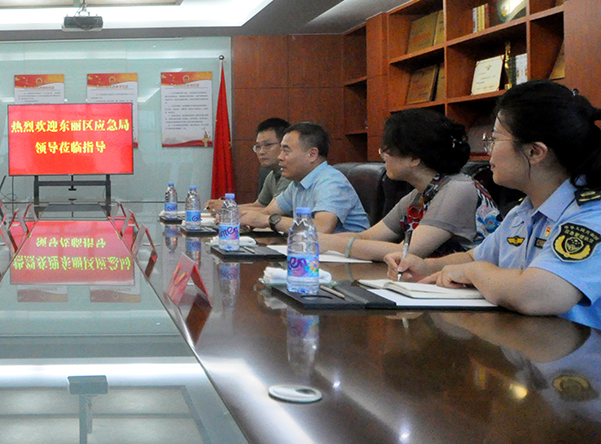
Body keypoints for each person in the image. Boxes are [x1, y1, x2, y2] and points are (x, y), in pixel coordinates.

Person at [388, 81, 601, 328]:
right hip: (527, 343)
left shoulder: (591, 214)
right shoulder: (524, 211)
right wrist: (425, 267)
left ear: (535, 152)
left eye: (495, 139)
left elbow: (540, 295)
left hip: (577, 350)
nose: (488, 150)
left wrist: (474, 273)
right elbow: (474, 257)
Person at [321, 110, 500, 261]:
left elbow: (406, 252)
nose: (384, 157)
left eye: (387, 151)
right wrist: (317, 240)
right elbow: (367, 236)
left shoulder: (457, 189)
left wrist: (330, 243)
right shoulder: (421, 194)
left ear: (414, 158)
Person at [238, 121, 369, 234]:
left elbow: (322, 228)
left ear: (312, 154)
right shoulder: (298, 183)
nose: (280, 157)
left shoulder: (331, 182)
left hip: (346, 254)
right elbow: (268, 211)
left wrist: (268, 220)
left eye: (286, 151)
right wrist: (236, 215)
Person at [207, 117, 290, 213]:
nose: (261, 152)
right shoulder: (271, 175)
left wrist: (227, 208)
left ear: (284, 145)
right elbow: (259, 205)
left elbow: (271, 211)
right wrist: (225, 206)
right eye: (258, 146)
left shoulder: (290, 175)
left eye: (267, 145)